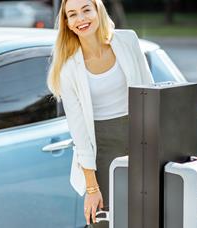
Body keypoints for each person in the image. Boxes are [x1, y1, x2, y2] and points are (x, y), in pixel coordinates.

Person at [47, 0, 154, 226]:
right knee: (106, 221)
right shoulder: (67, 68)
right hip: (101, 151)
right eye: (73, 14)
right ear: (66, 22)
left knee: (146, 218)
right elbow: (80, 134)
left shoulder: (127, 41)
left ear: (98, 10)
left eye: (87, 10)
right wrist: (92, 188)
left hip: (141, 143)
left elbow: (151, 92)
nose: (81, 19)